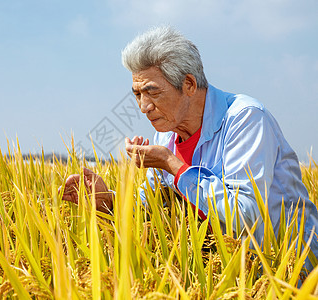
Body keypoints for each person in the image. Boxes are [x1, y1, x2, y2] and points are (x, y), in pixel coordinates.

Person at [61, 26, 318, 271]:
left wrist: (173, 165)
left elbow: (244, 217)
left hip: (285, 269)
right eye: (137, 94)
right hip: (222, 271)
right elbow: (153, 206)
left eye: (152, 92)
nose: (143, 107)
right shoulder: (166, 137)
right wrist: (107, 201)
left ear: (189, 85)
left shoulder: (245, 119)